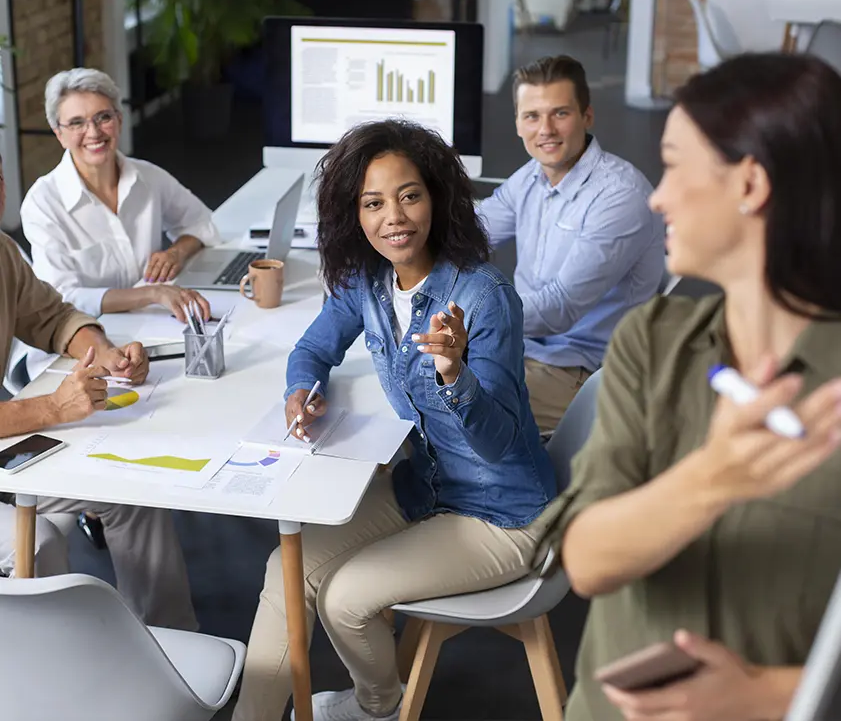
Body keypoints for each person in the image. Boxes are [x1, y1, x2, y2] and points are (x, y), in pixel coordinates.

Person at [534, 53, 841, 721]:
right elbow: (584, 560)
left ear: (750, 183)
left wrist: (765, 696)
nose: (656, 196)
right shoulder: (652, 340)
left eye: (674, 165)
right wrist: (714, 477)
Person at [232, 119, 557, 721]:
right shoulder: (367, 280)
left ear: (436, 196)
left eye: (409, 195)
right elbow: (312, 349)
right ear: (353, 214)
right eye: (373, 203)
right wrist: (302, 389)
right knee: (288, 566)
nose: (395, 217)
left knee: (345, 598)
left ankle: (378, 707)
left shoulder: (484, 297)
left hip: (503, 513)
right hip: (424, 489)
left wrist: (454, 373)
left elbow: (497, 443)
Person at [0, 158, 196, 630]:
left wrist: (103, 352)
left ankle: (165, 644)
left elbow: (55, 318)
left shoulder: (3, 253)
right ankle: (60, 669)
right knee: (36, 541)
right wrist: (51, 407)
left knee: (129, 493)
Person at [477, 55, 665, 434]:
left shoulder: (619, 196)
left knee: (454, 417)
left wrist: (471, 318)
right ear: (517, 122)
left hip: (580, 369)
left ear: (587, 116)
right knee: (413, 379)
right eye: (532, 116)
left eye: (559, 113)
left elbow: (558, 309)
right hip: (523, 348)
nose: (545, 129)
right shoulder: (531, 176)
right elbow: (473, 231)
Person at [20, 67, 219, 379]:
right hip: (78, 350)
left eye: (103, 117)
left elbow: (200, 222)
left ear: (119, 119)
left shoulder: (147, 176)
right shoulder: (42, 203)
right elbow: (62, 298)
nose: (94, 132)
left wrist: (175, 253)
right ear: (59, 134)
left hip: (149, 331)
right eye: (76, 123)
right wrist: (154, 294)